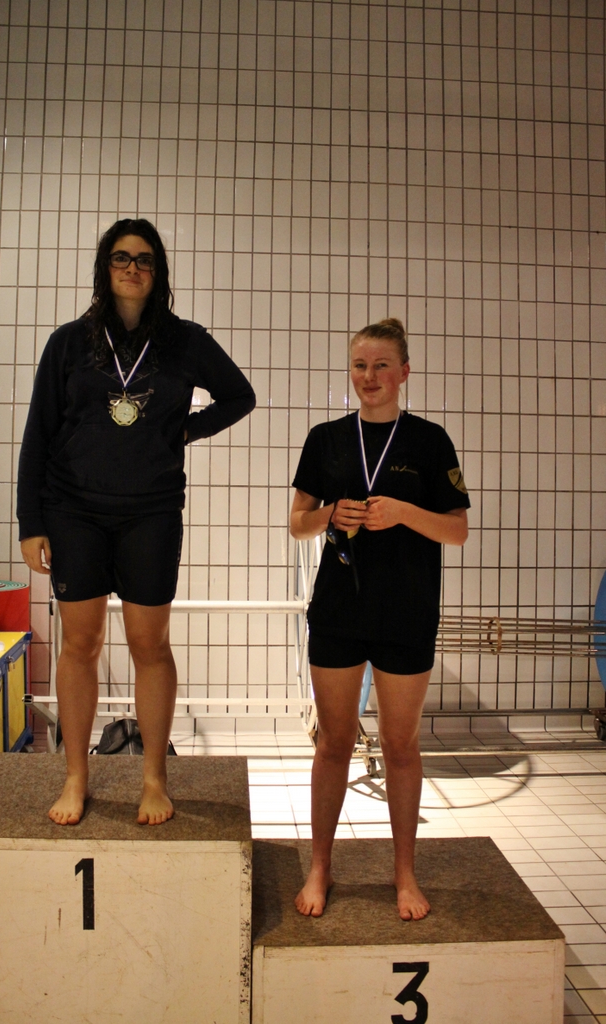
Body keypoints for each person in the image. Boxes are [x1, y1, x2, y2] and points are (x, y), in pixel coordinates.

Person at [18, 218, 255, 826]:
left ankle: (154, 778)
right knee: (81, 645)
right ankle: (76, 777)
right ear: (106, 267)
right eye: (122, 258)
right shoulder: (69, 343)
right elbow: (38, 433)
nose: (133, 268)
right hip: (74, 510)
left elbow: (240, 396)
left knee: (150, 645)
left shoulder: (184, 341)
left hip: (151, 512)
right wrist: (30, 521)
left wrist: (184, 430)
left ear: (158, 271)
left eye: (145, 259)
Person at [289, 318, 469, 920]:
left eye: (382, 365)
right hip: (338, 612)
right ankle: (320, 866)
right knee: (334, 742)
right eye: (360, 365)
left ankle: (404, 874)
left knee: (400, 745)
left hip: (406, 614)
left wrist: (403, 512)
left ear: (404, 373)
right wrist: (330, 515)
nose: (369, 376)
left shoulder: (430, 442)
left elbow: (457, 530)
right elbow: (296, 523)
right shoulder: (326, 439)